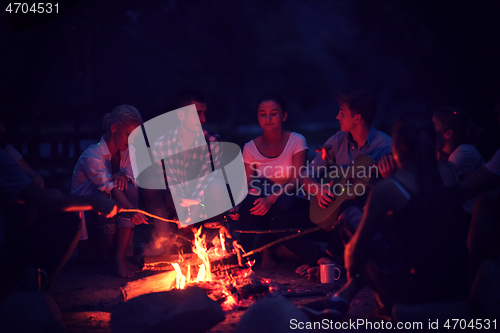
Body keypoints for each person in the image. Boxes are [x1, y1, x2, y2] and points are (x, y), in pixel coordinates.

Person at [300, 113, 469, 319]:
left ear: (396, 147)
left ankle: (367, 300)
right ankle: (341, 299)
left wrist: (350, 256)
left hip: (411, 287)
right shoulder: (450, 170)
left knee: (349, 215)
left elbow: (357, 253)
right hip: (454, 280)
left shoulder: (391, 188)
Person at [0, 138, 118, 304]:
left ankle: (26, 286)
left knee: (33, 205)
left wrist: (36, 195)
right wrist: (94, 202)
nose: (4, 125)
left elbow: (37, 183)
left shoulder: (6, 150)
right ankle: (29, 299)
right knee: (70, 221)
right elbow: (47, 203)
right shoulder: (2, 160)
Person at [296, 91, 394, 278]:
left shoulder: (386, 147)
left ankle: (327, 261)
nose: (337, 116)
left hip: (355, 224)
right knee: (280, 223)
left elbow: (395, 194)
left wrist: (389, 177)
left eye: (341, 112)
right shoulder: (337, 140)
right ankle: (322, 260)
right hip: (327, 214)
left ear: (357, 118)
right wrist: (318, 189)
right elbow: (307, 174)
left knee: (350, 210)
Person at [71, 105, 147, 278]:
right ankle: (116, 258)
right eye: (129, 134)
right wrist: (133, 211)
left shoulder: (128, 153)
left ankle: (118, 257)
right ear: (113, 128)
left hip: (113, 216)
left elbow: (130, 180)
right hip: (88, 224)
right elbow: (109, 188)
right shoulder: (92, 155)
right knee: (104, 196)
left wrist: (123, 176)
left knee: (127, 187)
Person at [237, 93, 309, 268]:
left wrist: (271, 198)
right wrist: (237, 204)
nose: (268, 118)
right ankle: (246, 259)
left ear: (284, 116)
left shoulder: (297, 141)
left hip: (292, 200)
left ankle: (265, 248)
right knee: (247, 201)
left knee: (283, 201)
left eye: (274, 113)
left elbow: (297, 179)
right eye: (263, 114)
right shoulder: (250, 147)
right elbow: (247, 183)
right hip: (263, 202)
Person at [432, 106, 484, 214]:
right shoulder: (445, 155)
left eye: (433, 125)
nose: (428, 130)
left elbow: (437, 193)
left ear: (448, 133)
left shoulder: (463, 153)